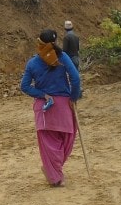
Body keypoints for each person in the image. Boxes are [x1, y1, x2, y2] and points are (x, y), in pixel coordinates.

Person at [20, 29, 81, 187]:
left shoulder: (33, 63)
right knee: (66, 139)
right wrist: (73, 97)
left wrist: (41, 94)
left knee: (49, 143)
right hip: (64, 106)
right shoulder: (62, 57)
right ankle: (54, 171)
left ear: (40, 43)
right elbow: (75, 78)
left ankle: (54, 175)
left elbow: (25, 86)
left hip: (45, 107)